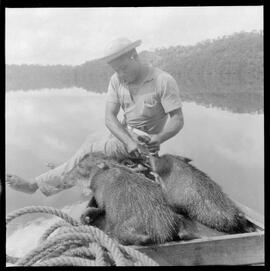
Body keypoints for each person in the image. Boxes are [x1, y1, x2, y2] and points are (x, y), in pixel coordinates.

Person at [6, 37, 184, 196]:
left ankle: (34, 184)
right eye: (116, 70)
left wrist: (159, 137)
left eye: (124, 68)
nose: (121, 74)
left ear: (134, 56)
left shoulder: (162, 80)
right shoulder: (116, 79)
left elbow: (177, 119)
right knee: (91, 137)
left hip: (141, 140)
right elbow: (109, 117)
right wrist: (127, 141)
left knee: (89, 150)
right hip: (124, 134)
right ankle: (68, 168)